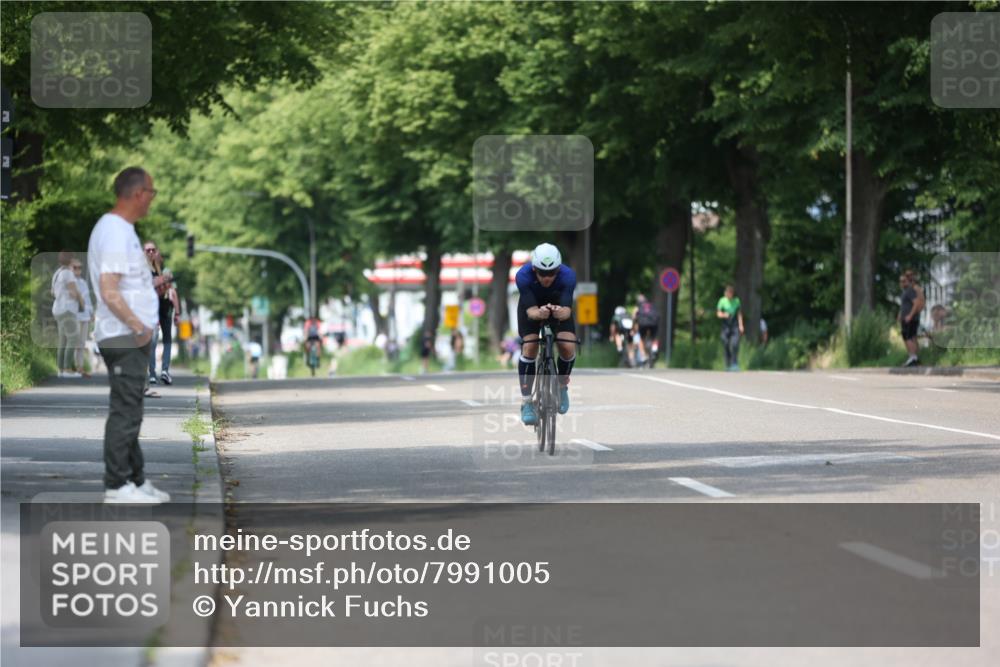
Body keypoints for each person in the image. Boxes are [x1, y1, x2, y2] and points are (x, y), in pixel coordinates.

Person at [88, 166, 170, 504]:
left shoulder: (121, 230)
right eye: (151, 192)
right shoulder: (116, 233)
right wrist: (138, 326)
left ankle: (135, 479)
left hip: (126, 335)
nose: (152, 198)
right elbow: (110, 289)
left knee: (131, 408)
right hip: (123, 336)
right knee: (125, 410)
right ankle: (117, 484)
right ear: (138, 194)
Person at [515, 242, 577, 425]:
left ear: (558, 270)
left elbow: (567, 311)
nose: (547, 278)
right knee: (530, 346)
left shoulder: (568, 276)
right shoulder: (523, 276)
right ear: (534, 269)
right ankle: (527, 402)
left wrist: (559, 312)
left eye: (552, 273)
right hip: (531, 307)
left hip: (558, 305)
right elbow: (531, 312)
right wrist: (539, 313)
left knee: (567, 344)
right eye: (543, 273)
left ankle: (561, 385)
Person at [144, 241, 181, 386]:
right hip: (150, 309)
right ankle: (152, 373)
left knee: (167, 339)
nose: (152, 253)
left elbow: (172, 291)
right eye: (148, 251)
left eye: (154, 250)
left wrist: (177, 313)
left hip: (164, 308)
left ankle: (164, 371)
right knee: (152, 340)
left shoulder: (162, 270)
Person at [51, 250, 86, 378]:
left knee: (63, 340)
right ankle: (67, 369)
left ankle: (60, 370)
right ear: (70, 260)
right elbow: (73, 292)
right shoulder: (68, 274)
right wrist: (81, 301)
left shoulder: (57, 273)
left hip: (58, 309)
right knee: (73, 338)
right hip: (67, 310)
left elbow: (52, 292)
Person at [70, 259, 95, 377]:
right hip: (73, 316)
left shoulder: (83, 283)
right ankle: (70, 366)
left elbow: (87, 299)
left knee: (81, 343)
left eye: (79, 267)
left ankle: (79, 367)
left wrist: (91, 313)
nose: (78, 270)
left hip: (84, 316)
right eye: (75, 267)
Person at [899, 269, 925, 367]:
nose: (902, 283)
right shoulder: (907, 291)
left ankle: (913, 357)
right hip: (907, 317)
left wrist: (910, 315)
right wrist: (900, 315)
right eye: (900, 281)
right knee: (910, 337)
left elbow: (917, 303)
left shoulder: (912, 289)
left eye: (904, 280)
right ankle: (913, 357)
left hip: (910, 318)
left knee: (909, 337)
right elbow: (904, 305)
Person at [716, 284, 744, 371]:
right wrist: (724, 315)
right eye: (727, 293)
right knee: (726, 343)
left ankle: (734, 363)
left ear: (732, 294)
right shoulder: (722, 301)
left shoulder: (736, 301)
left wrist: (741, 325)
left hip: (734, 325)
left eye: (730, 293)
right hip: (726, 326)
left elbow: (739, 314)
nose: (728, 295)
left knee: (735, 344)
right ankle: (727, 363)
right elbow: (718, 313)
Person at [633, 294, 660, 368]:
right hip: (653, 323)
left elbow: (634, 316)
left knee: (641, 339)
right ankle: (654, 349)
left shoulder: (638, 307)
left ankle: (643, 356)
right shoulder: (651, 305)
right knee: (654, 337)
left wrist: (634, 325)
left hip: (643, 324)